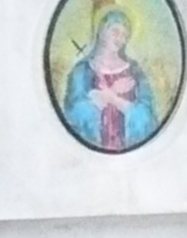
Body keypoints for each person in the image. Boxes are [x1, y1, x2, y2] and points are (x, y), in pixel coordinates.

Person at [62, 8, 160, 152]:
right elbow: (73, 115)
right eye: (115, 31)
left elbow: (147, 116)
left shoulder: (135, 71)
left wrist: (113, 99)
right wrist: (110, 92)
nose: (119, 39)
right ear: (102, 31)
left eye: (125, 35)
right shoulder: (81, 71)